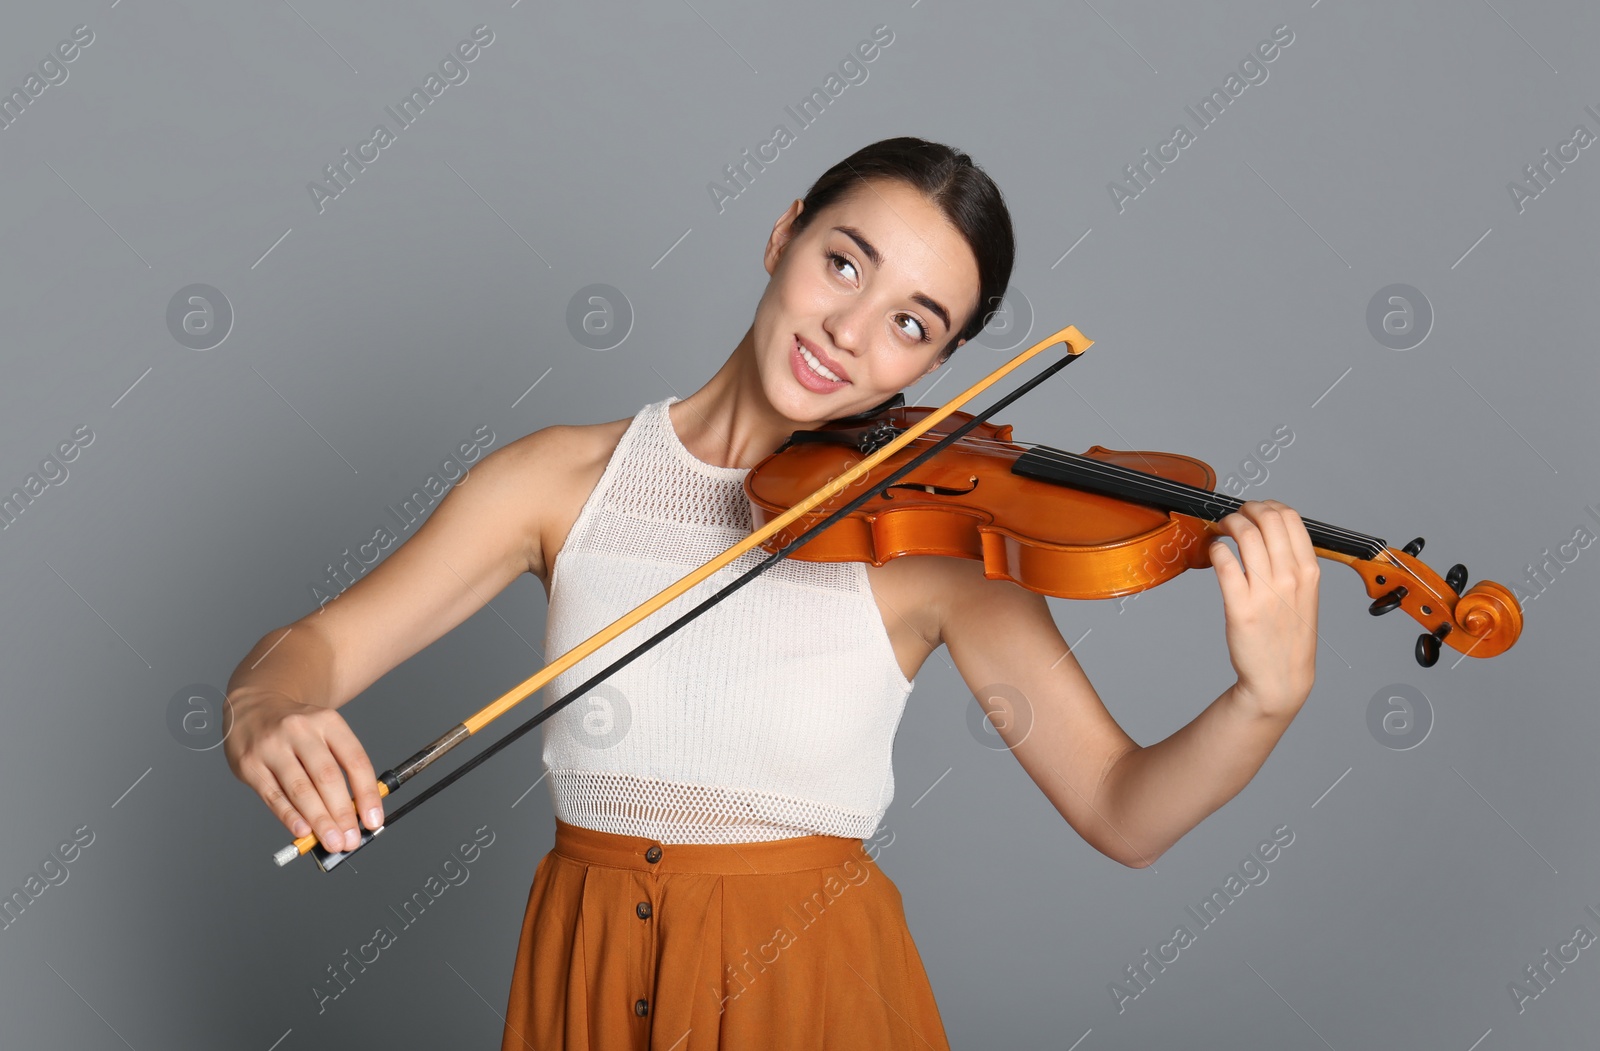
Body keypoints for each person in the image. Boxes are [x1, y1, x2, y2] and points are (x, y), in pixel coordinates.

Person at [222, 136, 1320, 1049]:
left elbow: (1121, 809)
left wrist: (1258, 701)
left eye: (911, 321)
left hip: (812, 997)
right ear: (783, 231)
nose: (850, 330)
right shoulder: (555, 482)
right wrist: (267, 710)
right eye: (845, 263)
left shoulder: (932, 542)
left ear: (930, 367)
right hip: (589, 976)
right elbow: (312, 648)